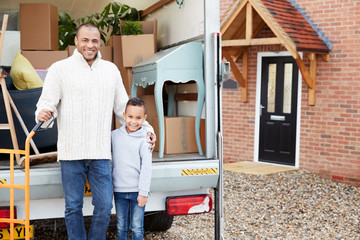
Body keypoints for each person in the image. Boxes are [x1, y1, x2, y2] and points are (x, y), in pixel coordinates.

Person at [35, 23, 156, 240]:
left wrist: (147, 130)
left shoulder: (110, 70)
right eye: (85, 40)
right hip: (71, 153)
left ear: (99, 42)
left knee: (104, 205)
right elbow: (47, 104)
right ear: (76, 41)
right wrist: (43, 113)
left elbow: (124, 109)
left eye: (94, 41)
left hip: (100, 153)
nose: (90, 45)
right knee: (73, 206)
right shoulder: (59, 69)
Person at [112, 97, 152, 240]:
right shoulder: (115, 136)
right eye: (130, 117)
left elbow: (147, 169)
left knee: (136, 227)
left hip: (137, 192)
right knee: (121, 226)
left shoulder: (145, 141)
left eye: (138, 118)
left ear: (144, 118)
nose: (133, 121)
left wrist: (143, 193)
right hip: (119, 191)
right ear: (124, 116)